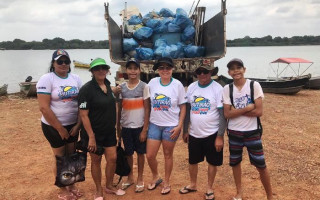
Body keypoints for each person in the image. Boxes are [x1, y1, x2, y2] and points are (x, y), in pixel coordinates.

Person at [222, 58, 273, 200]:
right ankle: (239, 193)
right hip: (234, 133)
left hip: (252, 132)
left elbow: (259, 112)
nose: (236, 71)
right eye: (232, 69)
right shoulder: (227, 89)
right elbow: (227, 114)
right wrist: (248, 107)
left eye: (239, 67)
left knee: (261, 165)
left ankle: (270, 196)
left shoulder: (254, 85)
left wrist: (236, 111)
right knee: (235, 163)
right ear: (229, 72)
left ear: (244, 69)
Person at [37, 49, 83, 200]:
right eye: (60, 61)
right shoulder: (47, 79)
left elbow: (81, 104)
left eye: (66, 61)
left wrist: (77, 125)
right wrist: (60, 128)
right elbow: (44, 107)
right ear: (53, 63)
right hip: (53, 126)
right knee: (60, 157)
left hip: (73, 125)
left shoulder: (76, 78)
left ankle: (72, 185)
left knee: (72, 156)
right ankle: (63, 189)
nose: (63, 64)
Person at [78, 58, 125, 200]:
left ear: (107, 70)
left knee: (112, 158)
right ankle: (98, 190)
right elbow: (84, 115)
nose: (101, 71)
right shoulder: (86, 90)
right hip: (93, 133)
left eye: (103, 68)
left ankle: (109, 185)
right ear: (92, 71)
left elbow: (109, 99)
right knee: (96, 160)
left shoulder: (107, 85)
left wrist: (117, 129)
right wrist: (91, 137)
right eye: (97, 69)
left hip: (109, 131)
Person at [179, 62, 226, 200]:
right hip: (194, 133)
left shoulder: (217, 88)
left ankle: (209, 188)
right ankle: (193, 184)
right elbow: (187, 110)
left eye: (205, 72)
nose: (202, 75)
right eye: (199, 72)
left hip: (212, 133)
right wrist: (185, 130)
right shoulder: (192, 87)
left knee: (212, 162)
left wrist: (220, 136)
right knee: (192, 161)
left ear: (211, 72)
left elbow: (222, 114)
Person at [146, 57, 186, 195]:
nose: (165, 70)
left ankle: (167, 181)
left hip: (171, 126)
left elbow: (183, 106)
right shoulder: (152, 83)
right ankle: (156, 176)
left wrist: (179, 126)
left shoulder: (178, 85)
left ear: (172, 69)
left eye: (167, 68)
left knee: (168, 154)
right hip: (154, 124)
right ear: (157, 70)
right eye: (161, 68)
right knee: (150, 155)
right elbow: (145, 101)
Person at [117, 58, 150, 193]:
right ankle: (130, 177)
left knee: (140, 154)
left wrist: (145, 129)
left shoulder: (144, 86)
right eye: (130, 68)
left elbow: (147, 109)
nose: (132, 71)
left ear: (139, 70)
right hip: (126, 127)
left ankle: (140, 178)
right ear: (126, 70)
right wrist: (118, 126)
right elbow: (120, 108)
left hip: (139, 127)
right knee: (128, 153)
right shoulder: (122, 87)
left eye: (135, 68)